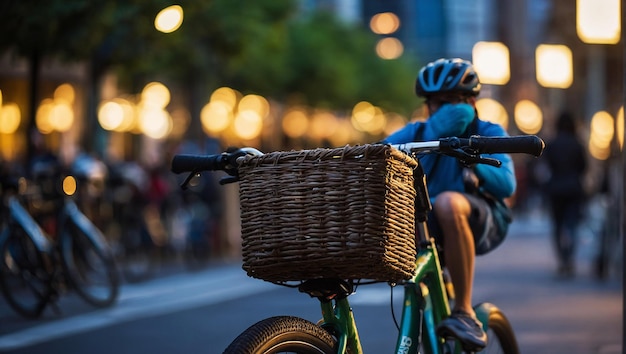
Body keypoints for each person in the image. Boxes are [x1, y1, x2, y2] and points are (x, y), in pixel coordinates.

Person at [383, 58, 516, 350]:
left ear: (471, 101)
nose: (442, 110)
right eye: (435, 103)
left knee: (447, 204)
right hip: (424, 223)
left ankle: (464, 310)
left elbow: (507, 184)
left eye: (451, 102)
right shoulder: (418, 133)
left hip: (479, 218)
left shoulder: (487, 131)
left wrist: (474, 158)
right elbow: (375, 155)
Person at [543, 111, 587, 278]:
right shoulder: (577, 144)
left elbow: (546, 166)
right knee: (572, 225)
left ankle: (562, 259)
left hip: (555, 189)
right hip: (574, 189)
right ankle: (570, 257)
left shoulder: (552, 144)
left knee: (557, 226)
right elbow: (584, 167)